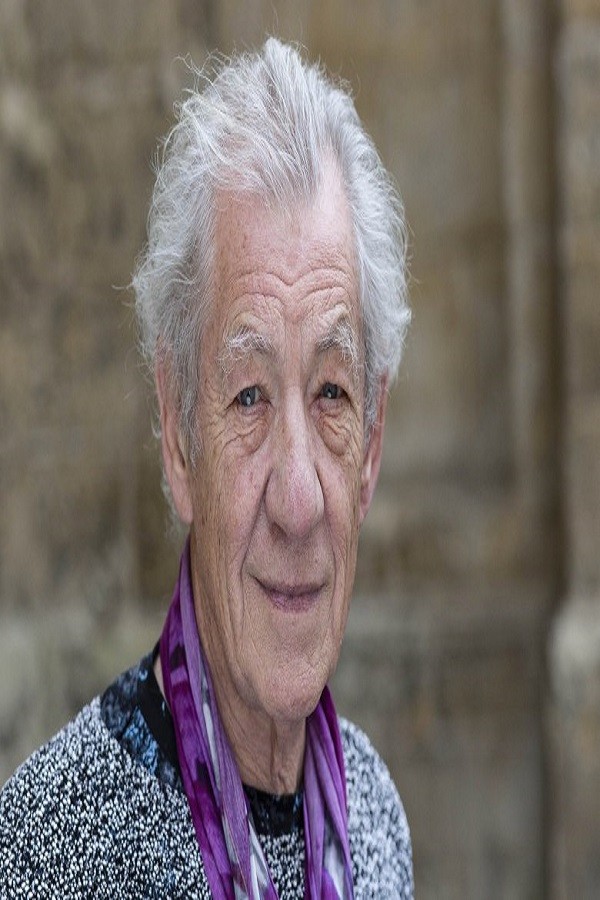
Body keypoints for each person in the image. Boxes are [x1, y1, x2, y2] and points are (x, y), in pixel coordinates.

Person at [0, 38, 413, 898]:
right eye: (249, 397)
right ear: (178, 434)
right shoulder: (48, 853)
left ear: (372, 444)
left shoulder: (375, 819)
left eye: (331, 394)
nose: (298, 500)